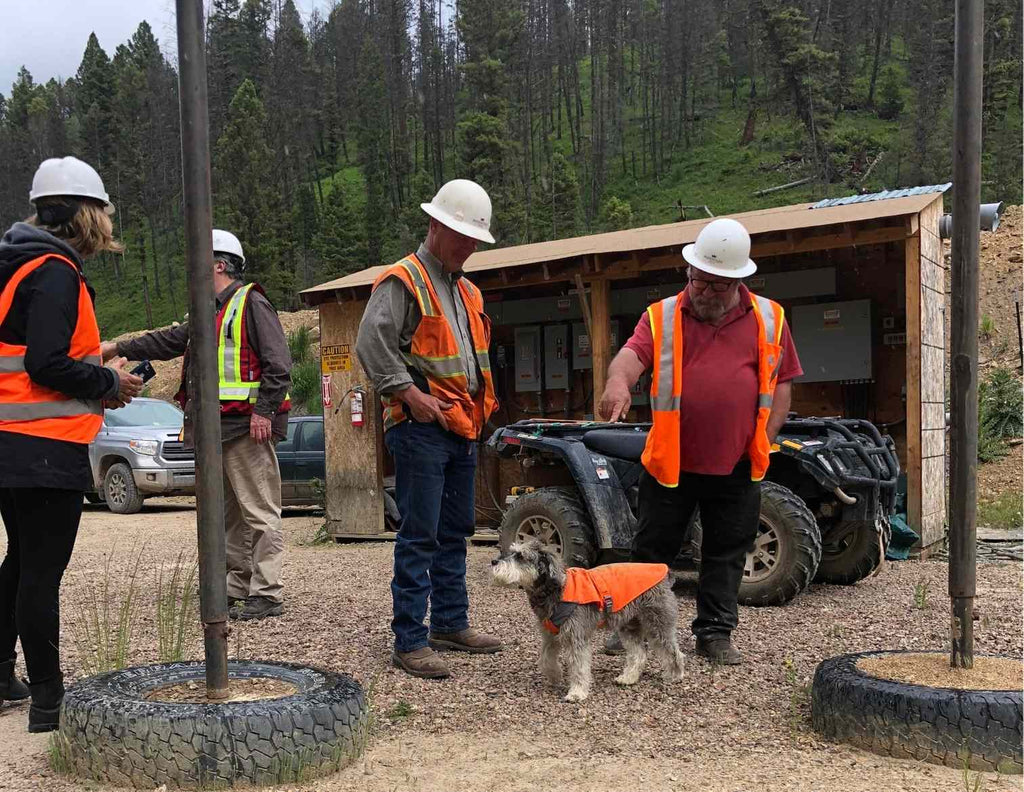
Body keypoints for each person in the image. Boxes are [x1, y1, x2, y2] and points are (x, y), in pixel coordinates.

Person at [597, 217, 802, 665]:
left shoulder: (771, 318)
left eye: (714, 285)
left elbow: (782, 386)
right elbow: (631, 357)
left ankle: (714, 634)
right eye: (696, 280)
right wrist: (617, 383)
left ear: (736, 281)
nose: (702, 291)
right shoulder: (662, 315)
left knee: (727, 551)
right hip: (671, 462)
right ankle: (630, 628)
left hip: (737, 464)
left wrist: (764, 442)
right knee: (651, 552)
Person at [0, 157, 143, 732]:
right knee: (40, 572)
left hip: (10, 441)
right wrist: (110, 383)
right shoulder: (56, 270)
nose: (107, 224)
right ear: (84, 214)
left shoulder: (16, 262)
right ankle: (50, 702)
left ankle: (3, 676)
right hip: (44, 445)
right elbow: (45, 363)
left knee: (18, 563)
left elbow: (27, 353)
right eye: (102, 212)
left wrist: (98, 357)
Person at [103, 230, 292, 621]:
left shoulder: (250, 302)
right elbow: (170, 341)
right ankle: (238, 585)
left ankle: (268, 592)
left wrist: (264, 413)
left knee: (260, 512)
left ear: (218, 264)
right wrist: (120, 347)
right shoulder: (209, 310)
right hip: (215, 431)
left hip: (244, 428)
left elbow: (279, 364)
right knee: (229, 516)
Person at [356, 179, 502, 679]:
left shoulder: (466, 290)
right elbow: (371, 345)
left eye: (474, 240)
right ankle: (411, 640)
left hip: (461, 425)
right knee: (420, 533)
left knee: (455, 530)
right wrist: (409, 394)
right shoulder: (404, 280)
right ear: (436, 226)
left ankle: (450, 622)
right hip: (420, 427)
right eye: (462, 236)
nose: (468, 247)